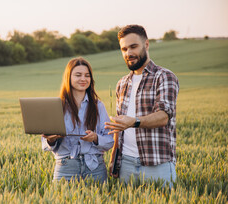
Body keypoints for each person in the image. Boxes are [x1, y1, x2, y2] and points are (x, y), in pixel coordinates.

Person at [105, 25, 179, 186]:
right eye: (124, 49)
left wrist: (134, 121)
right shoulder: (122, 83)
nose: (128, 53)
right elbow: (119, 124)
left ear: (146, 45)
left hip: (157, 164)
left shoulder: (164, 76)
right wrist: (114, 157)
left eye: (133, 47)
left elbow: (163, 116)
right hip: (126, 164)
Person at [42, 57, 114, 183]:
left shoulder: (98, 106)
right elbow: (45, 145)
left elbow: (110, 141)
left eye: (87, 75)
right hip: (65, 167)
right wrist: (51, 139)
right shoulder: (57, 106)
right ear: (68, 78)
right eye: (78, 75)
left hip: (95, 167)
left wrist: (95, 138)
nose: (83, 79)